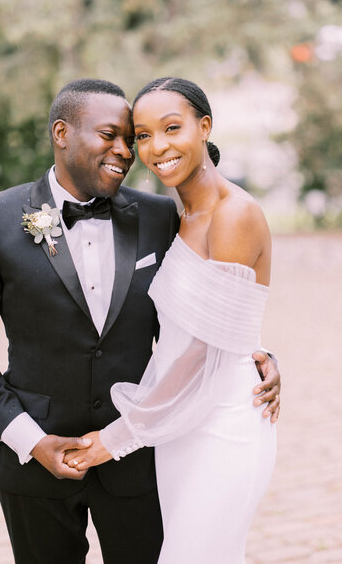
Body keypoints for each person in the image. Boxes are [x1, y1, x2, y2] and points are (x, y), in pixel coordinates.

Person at [0, 78, 280, 564]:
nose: (126, 151)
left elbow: (203, 320)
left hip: (142, 458)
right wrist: (28, 439)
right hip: (33, 461)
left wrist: (255, 356)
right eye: (113, 135)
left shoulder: (161, 216)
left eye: (132, 138)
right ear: (62, 133)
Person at [64, 77, 278, 563]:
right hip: (179, 423)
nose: (157, 146)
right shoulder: (179, 215)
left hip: (222, 422)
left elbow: (209, 347)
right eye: (142, 135)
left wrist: (115, 440)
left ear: (204, 128)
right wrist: (263, 352)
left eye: (172, 128)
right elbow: (219, 319)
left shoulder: (233, 215)